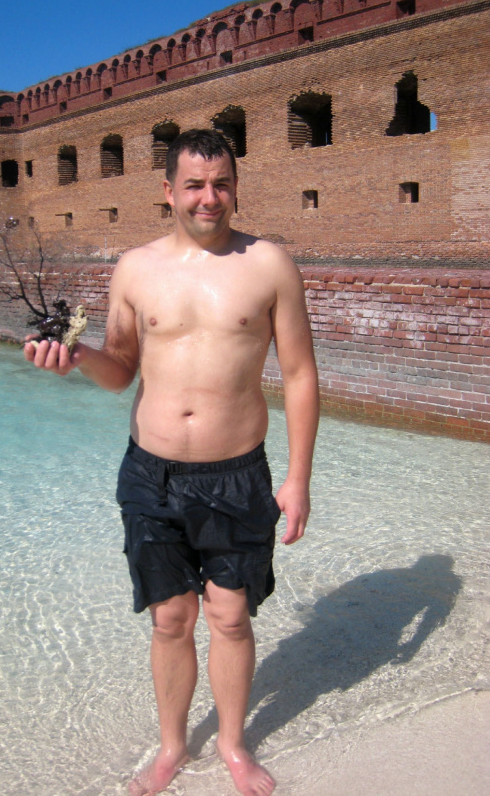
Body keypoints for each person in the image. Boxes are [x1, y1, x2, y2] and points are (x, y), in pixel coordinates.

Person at [24, 129, 319, 796]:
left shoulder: (269, 264)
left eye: (220, 184)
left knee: (231, 617)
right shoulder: (135, 269)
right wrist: (75, 358)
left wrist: (298, 477)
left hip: (238, 473)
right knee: (169, 619)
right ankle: (171, 747)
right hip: (151, 475)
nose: (207, 197)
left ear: (235, 187)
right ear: (168, 191)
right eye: (193, 184)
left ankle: (236, 747)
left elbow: (300, 375)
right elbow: (120, 370)